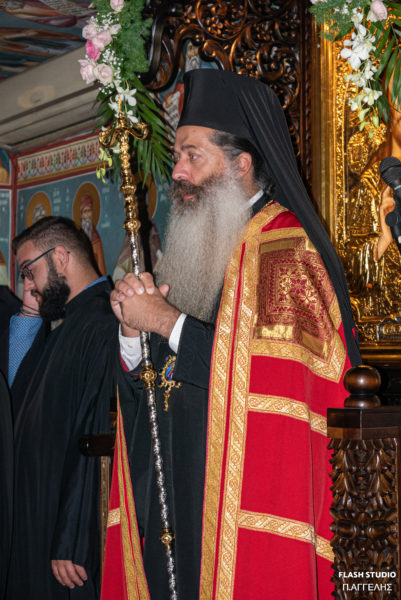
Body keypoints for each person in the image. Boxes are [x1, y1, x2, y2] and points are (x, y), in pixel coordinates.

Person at [103, 69, 361, 599]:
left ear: (241, 164)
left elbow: (265, 384)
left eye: (192, 156)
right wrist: (133, 335)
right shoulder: (196, 246)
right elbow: (167, 375)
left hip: (238, 499)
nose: (177, 172)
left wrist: (164, 321)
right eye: (177, 156)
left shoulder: (285, 250)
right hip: (179, 485)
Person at [6, 216, 118, 600]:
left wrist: (74, 534)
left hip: (65, 542)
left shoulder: (103, 323)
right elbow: (20, 403)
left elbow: (97, 438)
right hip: (42, 517)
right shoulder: (69, 325)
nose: (29, 285)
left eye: (29, 271)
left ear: (61, 257)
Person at [79, 194, 107, 275]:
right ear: (81, 214)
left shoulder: (95, 235)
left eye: (89, 211)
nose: (87, 214)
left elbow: (100, 261)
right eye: (85, 212)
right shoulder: (78, 235)